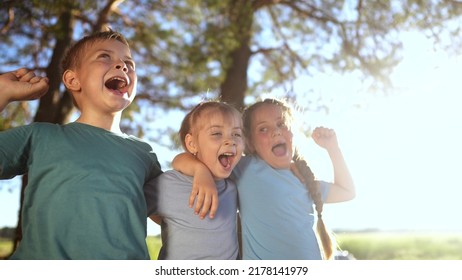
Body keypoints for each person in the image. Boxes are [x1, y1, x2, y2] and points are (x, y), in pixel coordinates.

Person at [0, 30, 162, 259]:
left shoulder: (144, 153)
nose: (123, 66)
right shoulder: (41, 136)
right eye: (105, 57)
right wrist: (2, 93)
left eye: (129, 63)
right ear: (73, 80)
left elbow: (172, 213)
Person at [173, 98, 355, 260]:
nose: (276, 132)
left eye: (281, 124)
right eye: (263, 129)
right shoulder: (246, 168)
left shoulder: (304, 179)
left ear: (293, 133)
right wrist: (200, 171)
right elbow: (181, 159)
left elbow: (347, 192)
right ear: (250, 143)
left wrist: (333, 149)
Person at [146, 101, 244, 259]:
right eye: (216, 133)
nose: (230, 141)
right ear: (192, 144)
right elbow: (131, 208)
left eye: (236, 134)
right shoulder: (171, 183)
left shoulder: (235, 185)